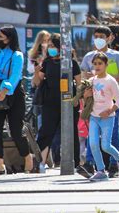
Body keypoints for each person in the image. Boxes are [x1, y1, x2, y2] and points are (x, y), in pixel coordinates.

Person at [77, 26, 119, 178]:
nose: (98, 39)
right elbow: (83, 79)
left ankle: (116, 162)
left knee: (112, 136)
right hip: (93, 105)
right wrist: (85, 89)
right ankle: (93, 166)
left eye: (102, 36)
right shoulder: (89, 57)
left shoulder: (116, 56)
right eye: (96, 36)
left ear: (109, 38)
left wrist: (107, 76)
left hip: (110, 103)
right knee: (92, 139)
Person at [0, 25, 33, 175]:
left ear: (9, 38)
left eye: (1, 37)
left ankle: (28, 158)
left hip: (14, 93)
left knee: (15, 130)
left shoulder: (17, 55)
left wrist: (5, 90)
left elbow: (15, 76)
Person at [32, 33, 82, 172]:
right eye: (50, 46)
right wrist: (36, 72)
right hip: (50, 102)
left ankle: (75, 163)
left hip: (68, 102)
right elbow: (37, 83)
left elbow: (79, 83)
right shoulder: (47, 62)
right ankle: (39, 163)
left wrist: (77, 99)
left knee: (72, 133)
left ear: (62, 47)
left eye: (53, 46)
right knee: (46, 132)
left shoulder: (71, 62)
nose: (51, 48)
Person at [85, 52, 119, 182]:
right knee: (93, 144)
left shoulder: (111, 81)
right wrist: (86, 94)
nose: (97, 66)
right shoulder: (92, 80)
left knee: (105, 145)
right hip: (94, 116)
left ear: (106, 65)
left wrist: (109, 111)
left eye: (100, 63)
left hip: (108, 118)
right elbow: (85, 97)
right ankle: (101, 171)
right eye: (95, 64)